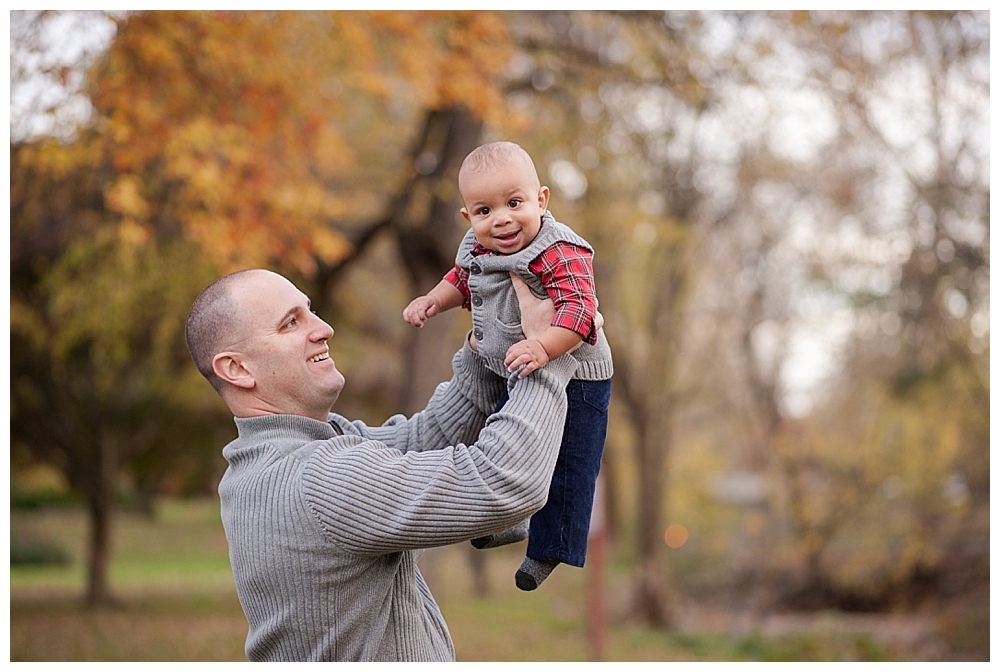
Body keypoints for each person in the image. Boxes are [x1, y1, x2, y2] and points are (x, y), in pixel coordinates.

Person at [184, 267, 584, 662]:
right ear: (236, 369)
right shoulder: (319, 477)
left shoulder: (279, 458)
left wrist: (487, 342)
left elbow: (424, 441)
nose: (324, 328)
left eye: (310, 311)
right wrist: (549, 352)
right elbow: (503, 482)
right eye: (290, 324)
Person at [403, 141, 613, 591]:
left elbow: (580, 312)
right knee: (507, 442)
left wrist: (544, 348)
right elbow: (460, 280)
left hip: (576, 374)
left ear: (541, 200)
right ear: (468, 218)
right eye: (484, 210)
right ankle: (512, 518)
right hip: (512, 366)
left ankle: (551, 546)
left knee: (569, 463)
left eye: (514, 203)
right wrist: (433, 301)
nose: (501, 219)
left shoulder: (559, 250)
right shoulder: (477, 248)